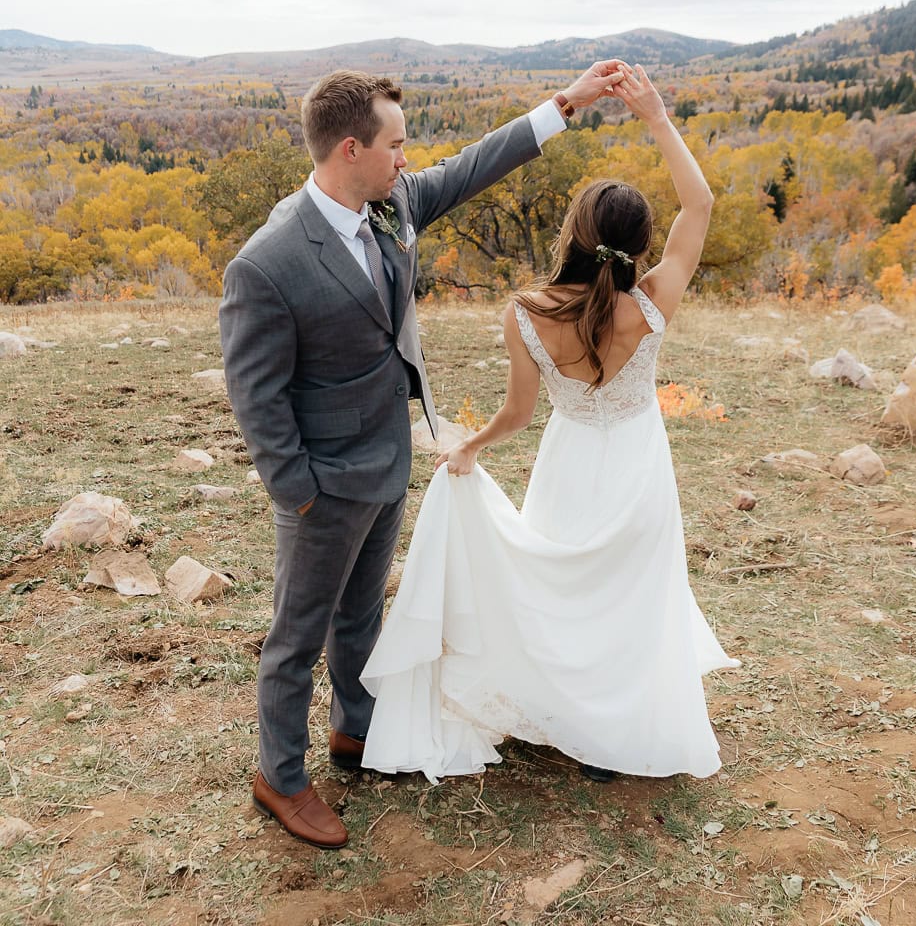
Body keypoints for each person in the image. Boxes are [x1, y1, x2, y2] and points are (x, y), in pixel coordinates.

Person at [219, 61, 626, 847]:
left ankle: (357, 728)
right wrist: (299, 492)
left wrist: (567, 104)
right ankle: (281, 775)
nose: (409, 158)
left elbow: (476, 163)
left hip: (389, 458)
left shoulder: (393, 203)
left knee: (361, 615)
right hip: (323, 485)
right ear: (349, 150)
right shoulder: (266, 263)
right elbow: (256, 397)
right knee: (296, 637)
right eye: (397, 145)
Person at [360, 64, 740, 784]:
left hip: (569, 461)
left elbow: (519, 414)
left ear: (575, 232)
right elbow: (702, 202)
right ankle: (614, 732)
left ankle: (562, 711)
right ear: (638, 243)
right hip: (637, 462)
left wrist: (468, 447)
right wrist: (656, 116)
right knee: (629, 592)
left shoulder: (528, 313)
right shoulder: (657, 298)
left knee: (565, 590)